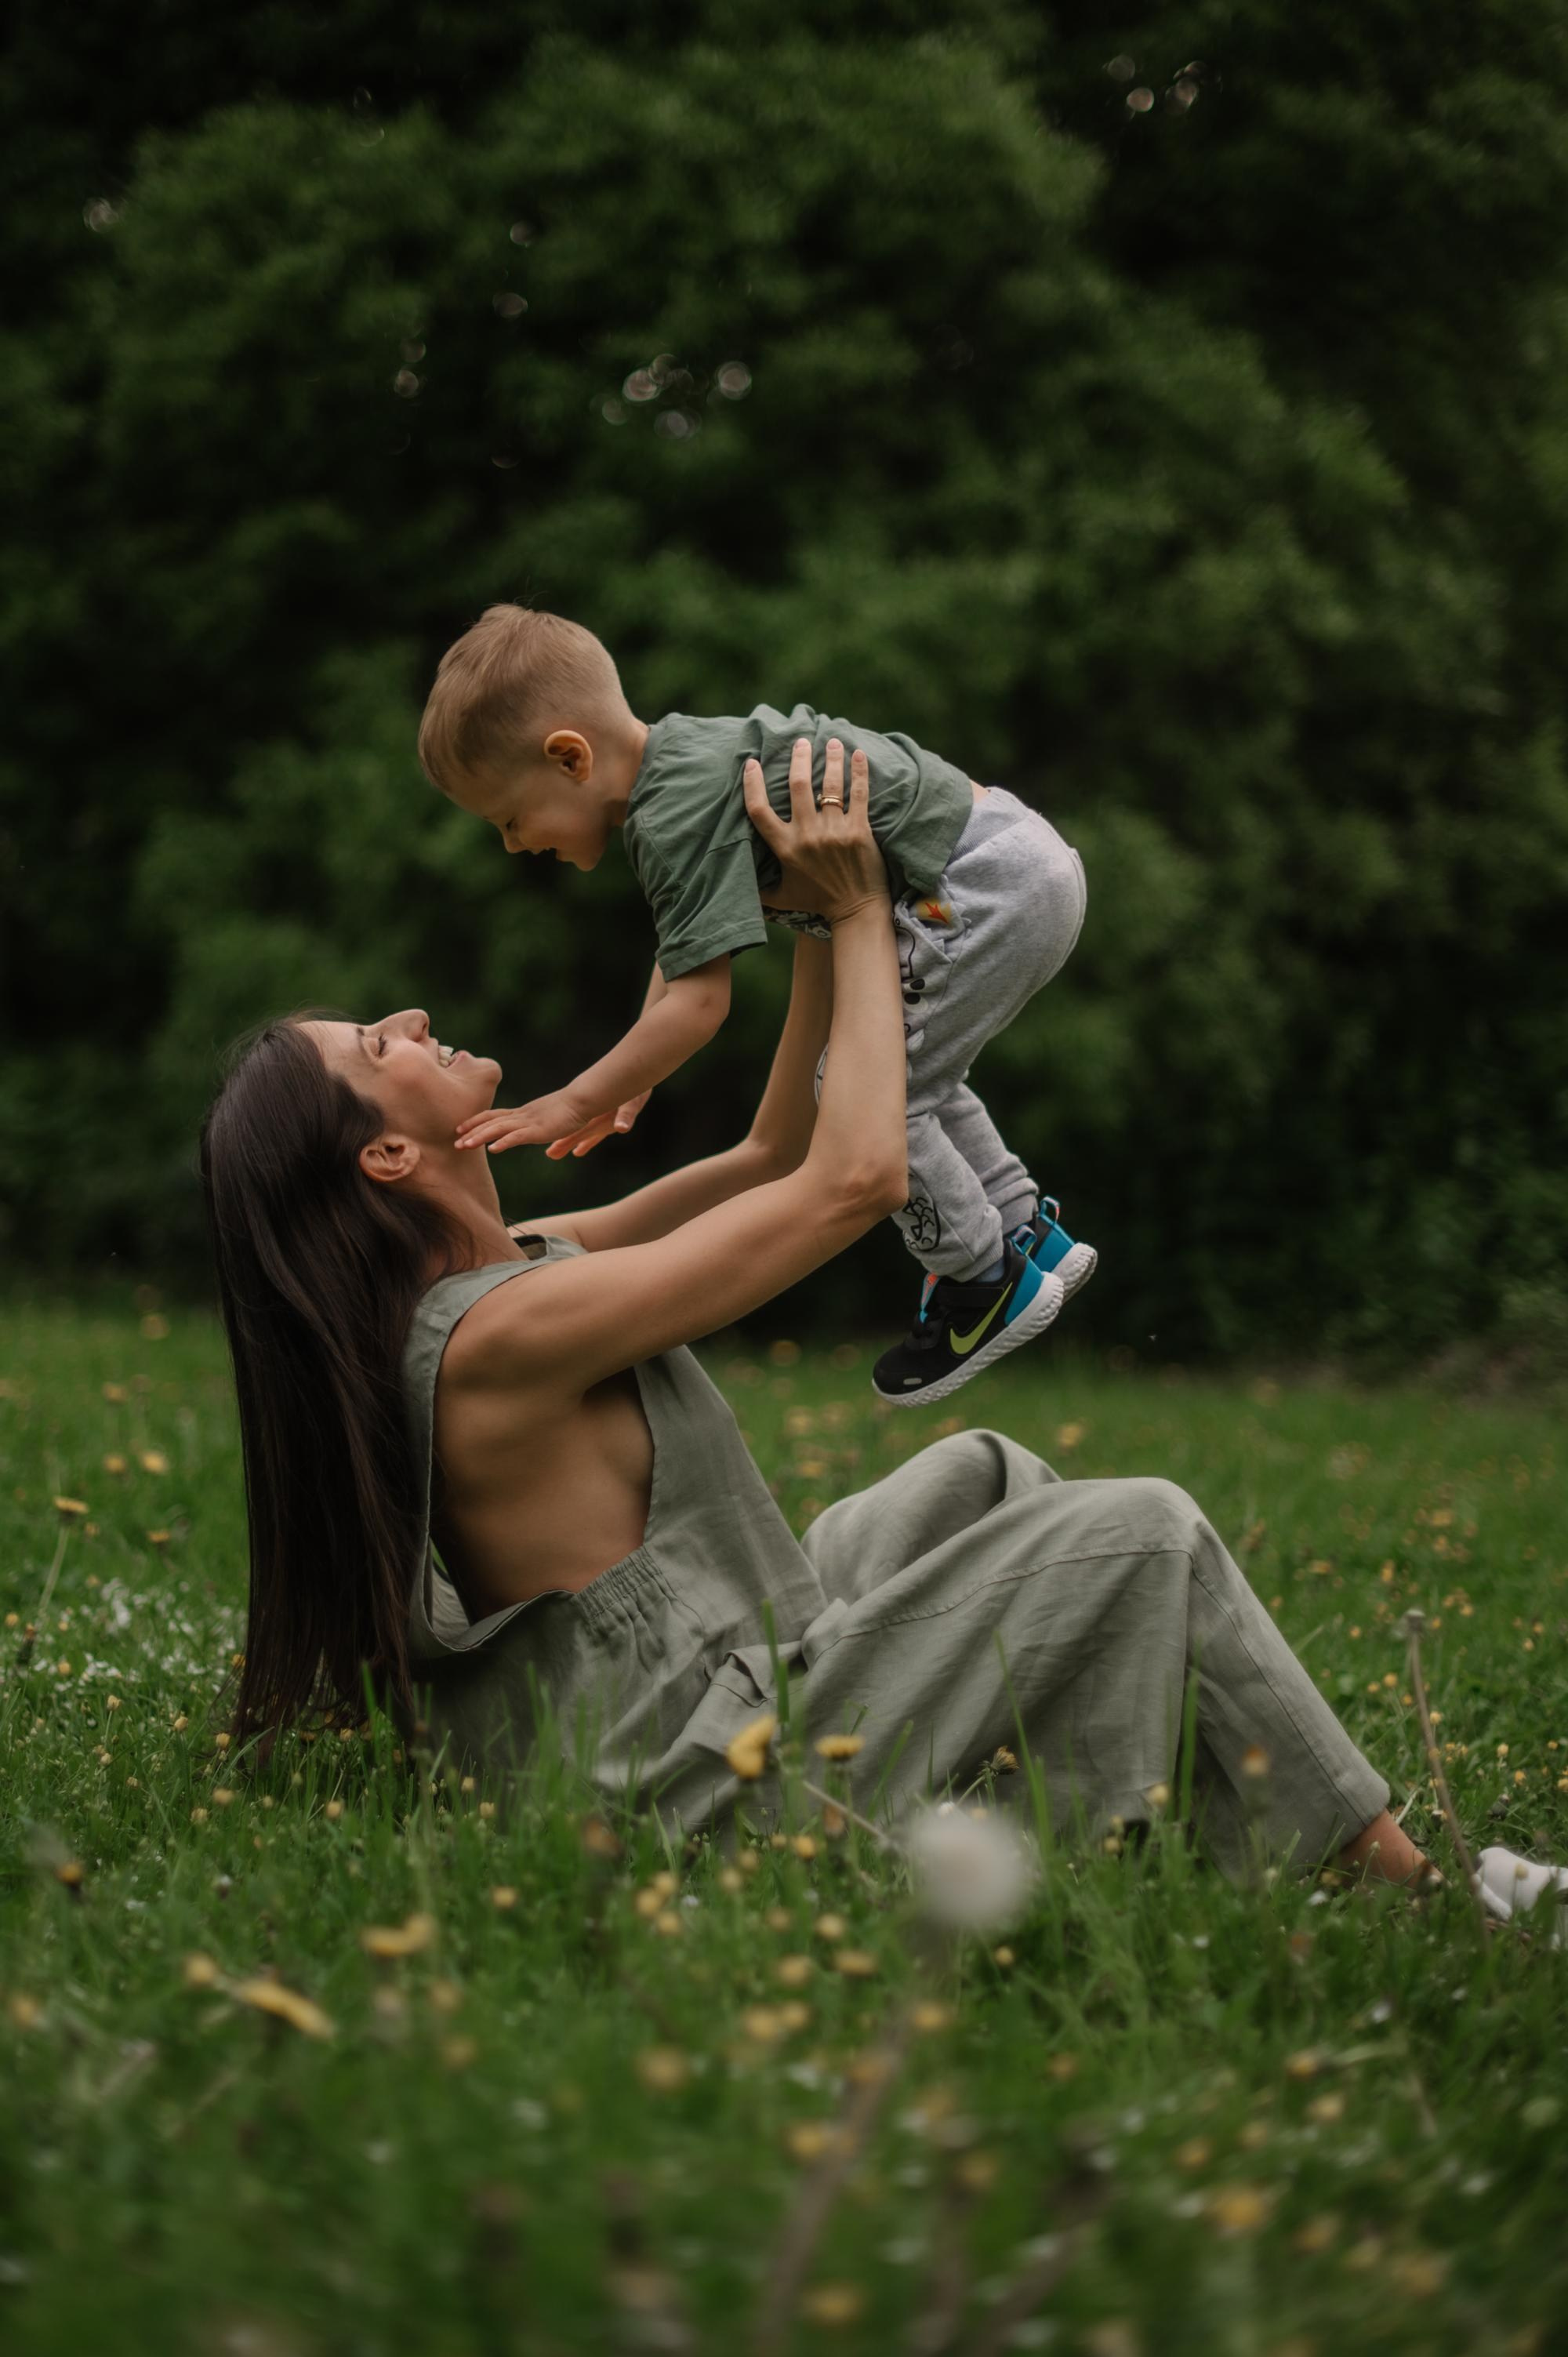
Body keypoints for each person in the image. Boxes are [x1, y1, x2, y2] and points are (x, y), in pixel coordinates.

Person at [201, 739, 1559, 1928]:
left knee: (980, 1480)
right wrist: (862, 916)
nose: (416, 1019)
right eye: (381, 1043)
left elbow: (776, 1145)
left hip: (737, 1692)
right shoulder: (498, 1336)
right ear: (388, 1155)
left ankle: (1132, 1835)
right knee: (1140, 1535)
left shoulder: (534, 1263)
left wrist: (805, 909)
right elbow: (854, 1182)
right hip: (702, 1798)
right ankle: (1426, 1899)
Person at [416, 603, 1096, 1407]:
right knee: (907, 1081)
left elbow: (699, 1007)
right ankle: (1021, 1231)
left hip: (978, 886)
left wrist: (574, 1099)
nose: (513, 844)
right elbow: (683, 956)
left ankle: (980, 1276)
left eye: (509, 818)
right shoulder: (683, 764)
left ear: (569, 759)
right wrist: (641, 1055)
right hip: (1013, 855)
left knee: (868, 1098)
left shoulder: (668, 816)